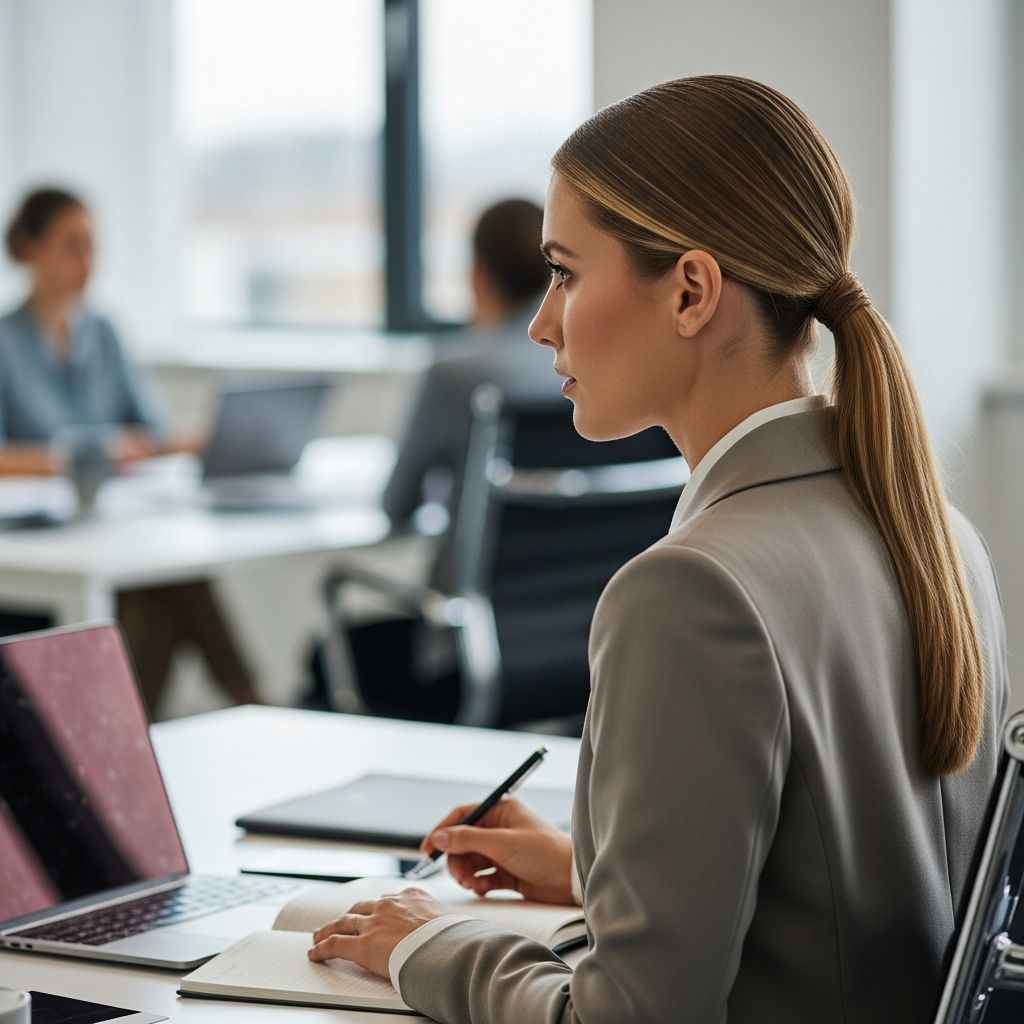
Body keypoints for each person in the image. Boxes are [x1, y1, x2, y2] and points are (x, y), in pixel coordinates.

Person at [304, 76, 1010, 1023]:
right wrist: (594, 871)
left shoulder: (693, 589)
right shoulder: (939, 537)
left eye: (565, 273)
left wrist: (426, 944)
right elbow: (852, 904)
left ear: (690, 292)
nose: (541, 322)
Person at [0, 186, 259, 712]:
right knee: (170, 584)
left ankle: (134, 731)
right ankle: (249, 700)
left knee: (163, 586)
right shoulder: (6, 342)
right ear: (29, 248)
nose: (87, 262)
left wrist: (204, 439)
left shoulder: (103, 334)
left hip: (112, 525)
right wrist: (89, 455)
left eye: (92, 246)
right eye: (72, 245)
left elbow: (151, 431)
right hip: (45, 541)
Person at [317, 199, 556, 720]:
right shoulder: (581, 369)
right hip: (576, 646)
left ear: (478, 274)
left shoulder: (458, 373)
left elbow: (397, 504)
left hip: (466, 650)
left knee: (326, 661)